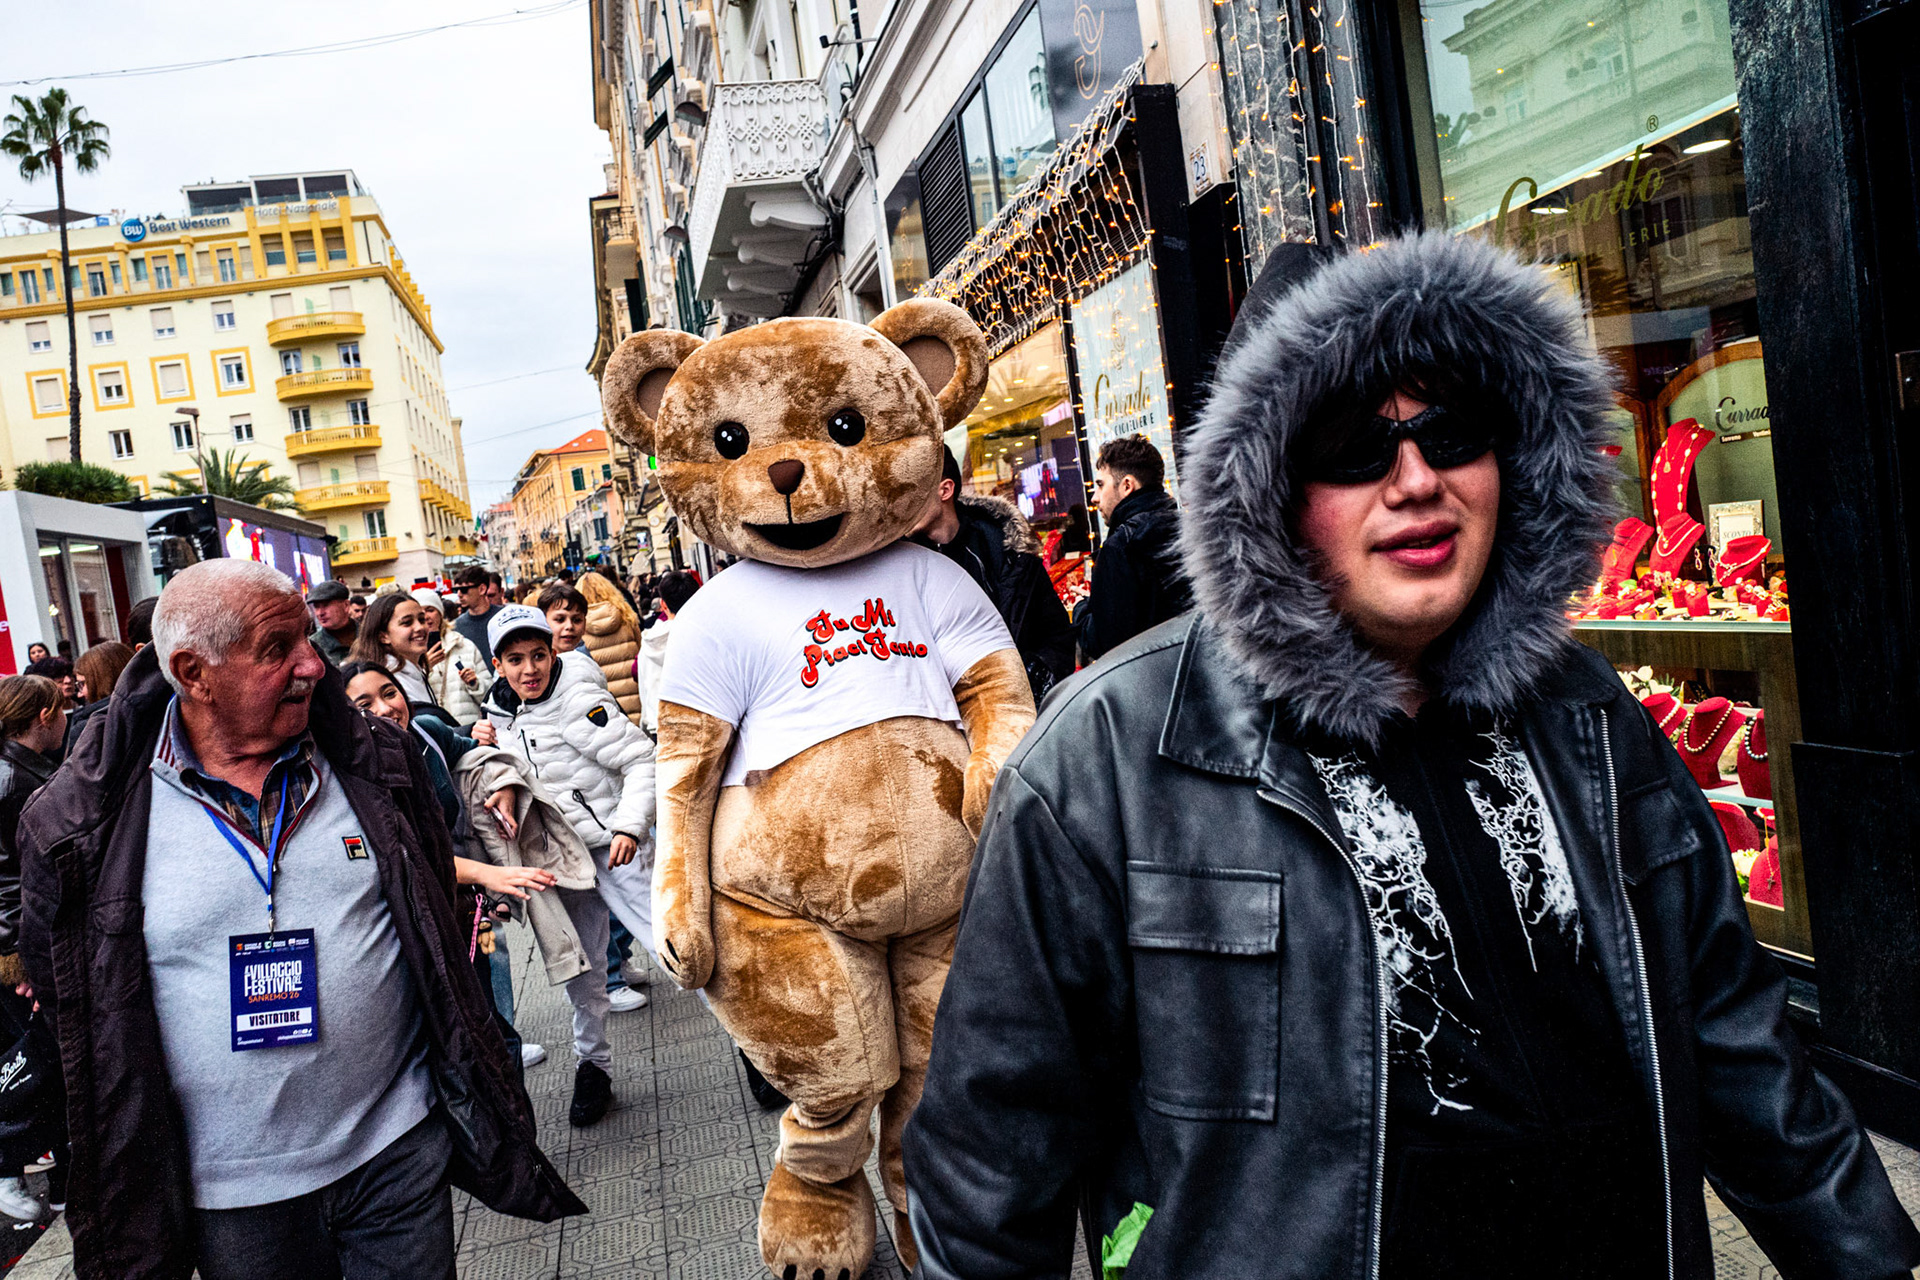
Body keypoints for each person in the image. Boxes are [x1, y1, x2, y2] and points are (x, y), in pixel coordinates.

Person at [902, 235, 1920, 1279]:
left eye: (1452, 429)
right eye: (1353, 442)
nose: (1417, 479)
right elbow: (986, 1179)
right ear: (1268, 486)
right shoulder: (1106, 758)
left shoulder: (1585, 711)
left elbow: (1744, 1054)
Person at [17, 558, 581, 1278]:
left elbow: (429, 906)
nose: (313, 666)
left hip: (396, 1149)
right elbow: (71, 992)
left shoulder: (372, 758)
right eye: (277, 649)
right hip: (232, 1192)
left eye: (308, 640)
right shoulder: (85, 820)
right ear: (194, 673)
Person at [484, 604, 658, 1123]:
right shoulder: (500, 711)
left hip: (613, 848)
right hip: (562, 857)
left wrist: (629, 826)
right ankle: (593, 1069)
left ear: (553, 650)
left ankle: (754, 1050)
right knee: (581, 973)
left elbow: (641, 760)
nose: (529, 669)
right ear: (499, 665)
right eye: (515, 660)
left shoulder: (578, 699)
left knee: (673, 945)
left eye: (538, 655)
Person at [339, 662, 550, 1077]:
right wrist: (489, 875)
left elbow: (479, 755)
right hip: (414, 926)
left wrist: (503, 787)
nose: (384, 708)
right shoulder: (352, 775)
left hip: (470, 913)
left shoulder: (427, 731)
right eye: (364, 704)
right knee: (456, 1040)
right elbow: (407, 855)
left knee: (496, 1025)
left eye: (390, 693)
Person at [913, 447, 1076, 700]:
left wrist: (1029, 681)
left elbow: (1056, 635)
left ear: (945, 490)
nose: (902, 503)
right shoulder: (901, 561)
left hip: (1015, 712)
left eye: (912, 491)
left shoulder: (1007, 549)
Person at [0, 676, 68, 1224]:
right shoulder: (16, 781)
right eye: (63, 708)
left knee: (33, 1059)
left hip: (17, 943)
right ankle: (6, 1161)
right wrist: (26, 952)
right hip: (15, 949)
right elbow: (13, 879)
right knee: (32, 1061)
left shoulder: (21, 772)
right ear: (43, 716)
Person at [1073, 433, 1190, 661]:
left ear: (1127, 485)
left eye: (1100, 485)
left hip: (1148, 679)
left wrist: (1082, 608)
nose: (1095, 498)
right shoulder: (1187, 527)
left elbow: (1105, 643)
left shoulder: (1121, 546)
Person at [349, 593, 441, 713]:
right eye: (407, 622)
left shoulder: (415, 672)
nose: (420, 628)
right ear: (383, 636)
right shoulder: (388, 682)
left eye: (421, 620)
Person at [411, 588, 491, 726]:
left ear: (440, 614)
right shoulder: (409, 654)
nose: (426, 616)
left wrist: (475, 683)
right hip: (435, 732)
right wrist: (422, 670)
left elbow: (490, 696)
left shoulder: (464, 646)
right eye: (420, 612)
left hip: (470, 730)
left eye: (431, 609)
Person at [637, 569, 699, 737]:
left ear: (663, 605)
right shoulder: (702, 636)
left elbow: (644, 685)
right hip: (698, 722)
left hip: (658, 723)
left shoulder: (649, 640)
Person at [575, 571, 643, 723]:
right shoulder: (626, 616)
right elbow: (641, 652)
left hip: (606, 701)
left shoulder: (579, 627)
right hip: (636, 692)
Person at [64, 641, 134, 754]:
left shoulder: (90, 728)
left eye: (82, 684)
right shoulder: (160, 707)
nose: (79, 694)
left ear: (100, 682)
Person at [536, 584, 608, 690]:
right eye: (560, 619)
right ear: (543, 622)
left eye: (577, 620)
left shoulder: (588, 664)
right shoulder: (535, 669)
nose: (569, 626)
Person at [452, 567, 503, 668]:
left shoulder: (503, 616)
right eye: (456, 590)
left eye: (464, 590)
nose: (459, 594)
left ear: (482, 589)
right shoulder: (456, 626)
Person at [305, 581, 359, 667]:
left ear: (346, 605)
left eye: (326, 605)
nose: (319, 613)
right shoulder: (312, 647)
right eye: (316, 606)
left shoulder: (370, 635)